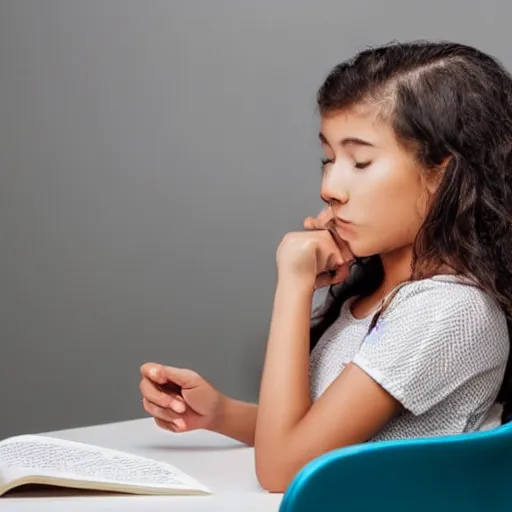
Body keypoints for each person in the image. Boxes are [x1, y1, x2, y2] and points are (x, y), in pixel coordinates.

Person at [139, 40, 512, 492]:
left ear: (441, 174)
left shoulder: (444, 312)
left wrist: (293, 287)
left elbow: (283, 470)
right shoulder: (383, 297)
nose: (330, 188)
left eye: (360, 161)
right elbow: (322, 434)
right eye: (328, 159)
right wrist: (221, 415)